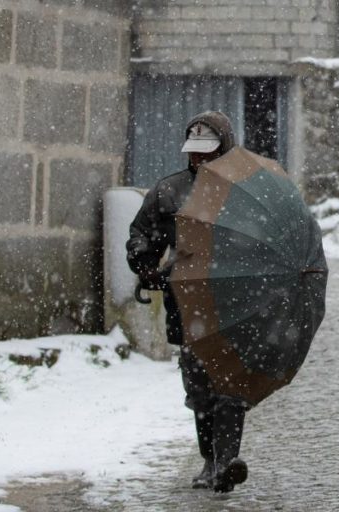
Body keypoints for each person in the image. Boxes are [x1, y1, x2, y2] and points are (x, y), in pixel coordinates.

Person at [126, 111, 249, 493]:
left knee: (228, 385)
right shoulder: (168, 192)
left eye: (207, 153)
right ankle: (209, 459)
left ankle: (227, 461)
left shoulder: (246, 193)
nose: (199, 160)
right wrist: (145, 263)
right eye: (194, 153)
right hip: (187, 303)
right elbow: (141, 234)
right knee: (199, 388)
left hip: (233, 303)